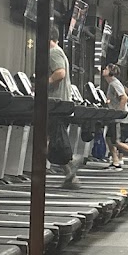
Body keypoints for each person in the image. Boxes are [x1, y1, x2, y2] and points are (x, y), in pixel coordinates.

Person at [48, 24, 81, 187]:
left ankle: (71, 161)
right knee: (54, 140)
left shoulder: (53, 52)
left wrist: (43, 83)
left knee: (55, 139)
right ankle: (70, 176)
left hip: (56, 103)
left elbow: (60, 73)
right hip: (61, 102)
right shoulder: (59, 51)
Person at [102, 63, 128, 169]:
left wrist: (118, 112)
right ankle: (115, 161)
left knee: (116, 141)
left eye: (106, 68)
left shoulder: (114, 83)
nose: (103, 70)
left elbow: (124, 98)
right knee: (109, 139)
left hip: (118, 118)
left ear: (111, 72)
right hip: (114, 117)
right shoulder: (111, 83)